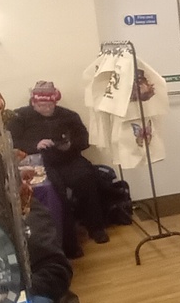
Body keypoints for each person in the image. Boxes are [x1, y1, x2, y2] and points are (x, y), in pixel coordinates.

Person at [9, 81, 110, 257]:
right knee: (56, 190)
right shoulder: (20, 117)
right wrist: (35, 145)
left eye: (50, 105)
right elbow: (11, 142)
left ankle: (96, 227)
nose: (47, 108)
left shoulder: (68, 116)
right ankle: (69, 243)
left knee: (86, 178)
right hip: (40, 163)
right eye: (42, 105)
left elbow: (84, 139)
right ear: (33, 102)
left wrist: (69, 144)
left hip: (68, 159)